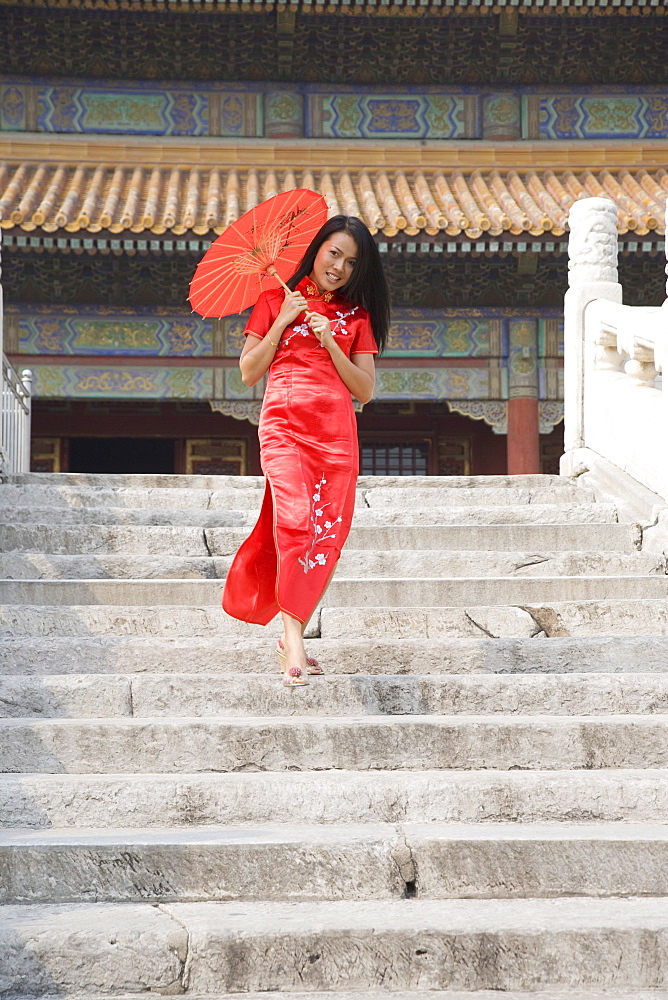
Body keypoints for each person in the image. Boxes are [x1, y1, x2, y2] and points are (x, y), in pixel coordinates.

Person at [222, 214, 390, 686]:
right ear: (316, 250)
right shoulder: (276, 298)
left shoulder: (357, 317)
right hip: (285, 423)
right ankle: (294, 641)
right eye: (333, 253)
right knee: (295, 522)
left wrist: (331, 342)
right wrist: (284, 321)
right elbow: (249, 372)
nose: (339, 266)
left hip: (336, 431)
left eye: (351, 262)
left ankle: (290, 632)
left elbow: (365, 390)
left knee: (327, 536)